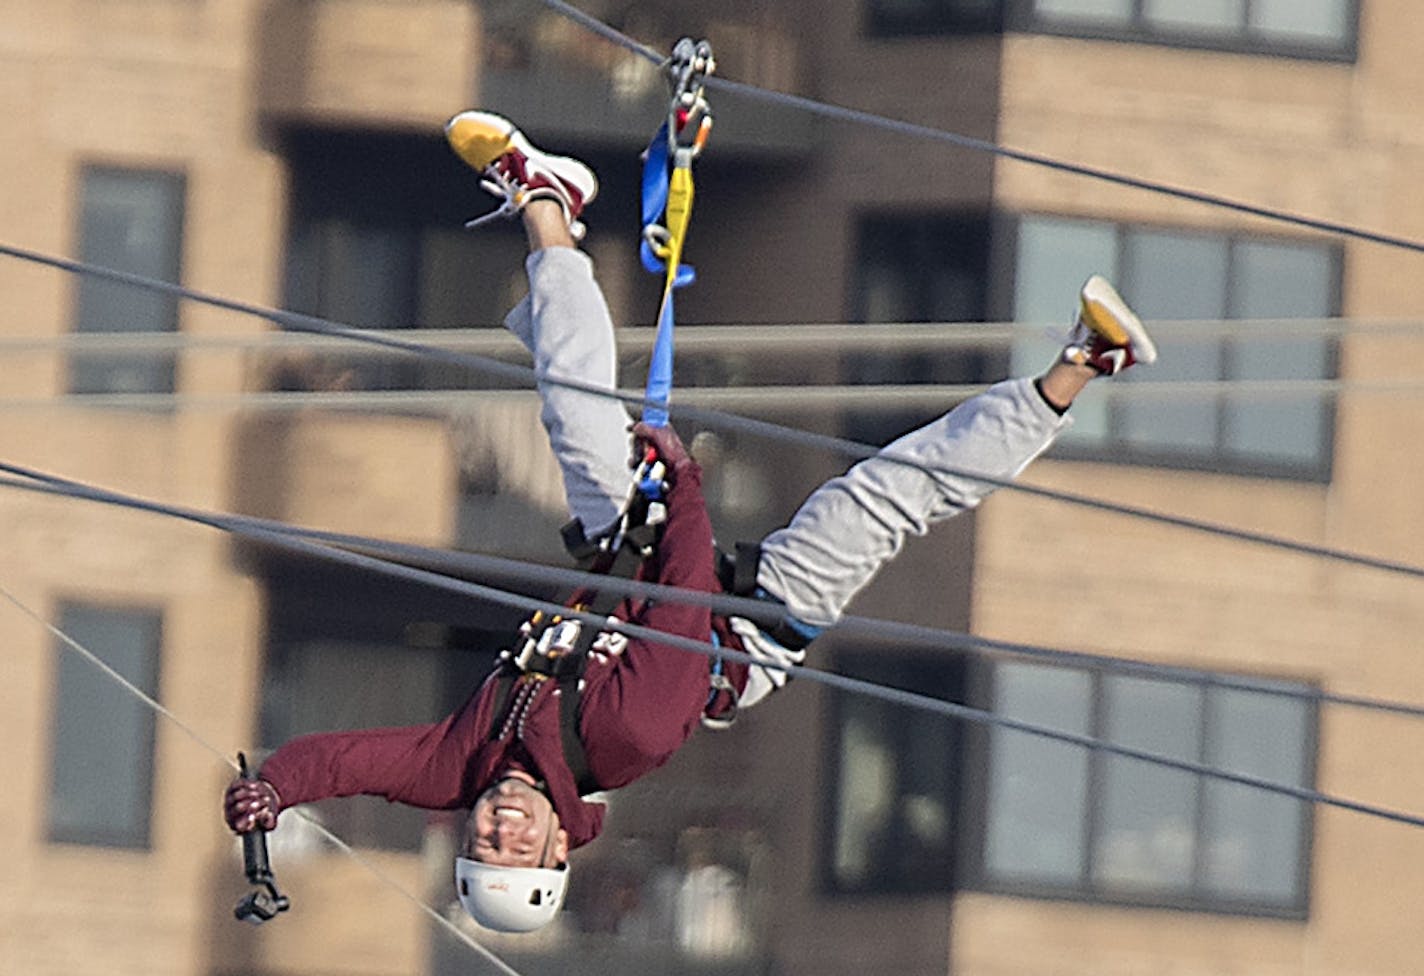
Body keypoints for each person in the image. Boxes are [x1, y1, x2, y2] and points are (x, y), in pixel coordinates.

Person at [223, 111, 1158, 933]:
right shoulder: (627, 735)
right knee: (887, 493)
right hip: (746, 622)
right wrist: (680, 476)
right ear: (556, 847)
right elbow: (682, 589)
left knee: (581, 422)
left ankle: (546, 205)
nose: (500, 824)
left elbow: (344, 759)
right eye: (516, 844)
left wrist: (275, 788)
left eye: (486, 840)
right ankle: (1085, 363)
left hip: (628, 564)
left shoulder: (462, 761)